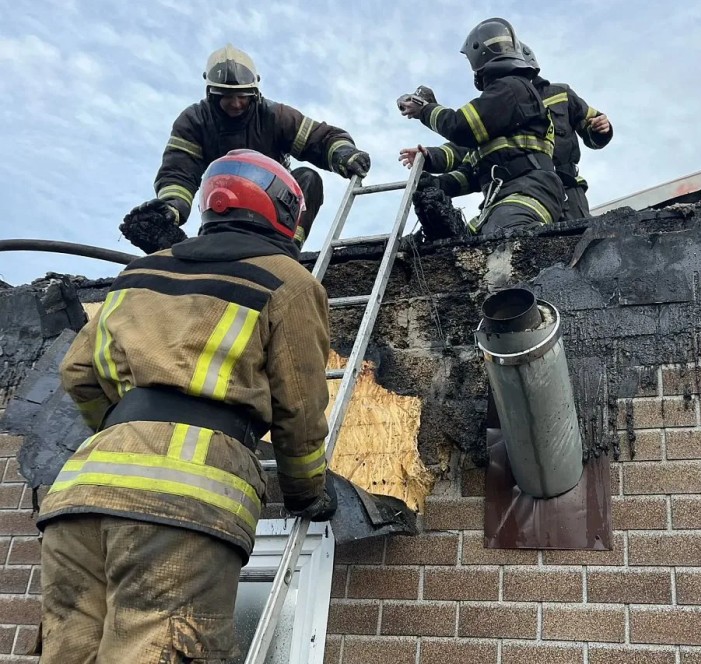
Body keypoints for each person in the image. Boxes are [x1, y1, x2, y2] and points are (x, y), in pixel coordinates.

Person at [37, 149, 337, 663]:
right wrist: (306, 492)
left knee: (68, 651)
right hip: (183, 505)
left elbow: (78, 373)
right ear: (285, 212)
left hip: (79, 499)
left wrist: (126, 430)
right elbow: (300, 407)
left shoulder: (138, 274)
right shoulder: (287, 281)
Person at [122, 44, 370, 253]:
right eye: (226, 96)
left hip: (274, 213)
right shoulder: (195, 121)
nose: (236, 103)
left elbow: (320, 138)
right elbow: (179, 172)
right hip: (223, 213)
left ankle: (287, 251)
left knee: (308, 179)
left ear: (255, 91)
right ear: (211, 93)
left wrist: (343, 153)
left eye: (243, 95)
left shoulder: (275, 116)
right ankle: (207, 249)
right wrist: (172, 208)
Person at [400, 43, 612, 220]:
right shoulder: (499, 102)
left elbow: (591, 123)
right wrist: (431, 156)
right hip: (518, 187)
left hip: (567, 190)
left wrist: (600, 129)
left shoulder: (558, 93)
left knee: (575, 243)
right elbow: (467, 147)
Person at [398, 18, 564, 235]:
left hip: (529, 191)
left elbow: (460, 127)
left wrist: (425, 109)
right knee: (464, 244)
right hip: (504, 197)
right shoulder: (499, 117)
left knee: (503, 239)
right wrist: (436, 184)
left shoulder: (512, 88)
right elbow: (472, 174)